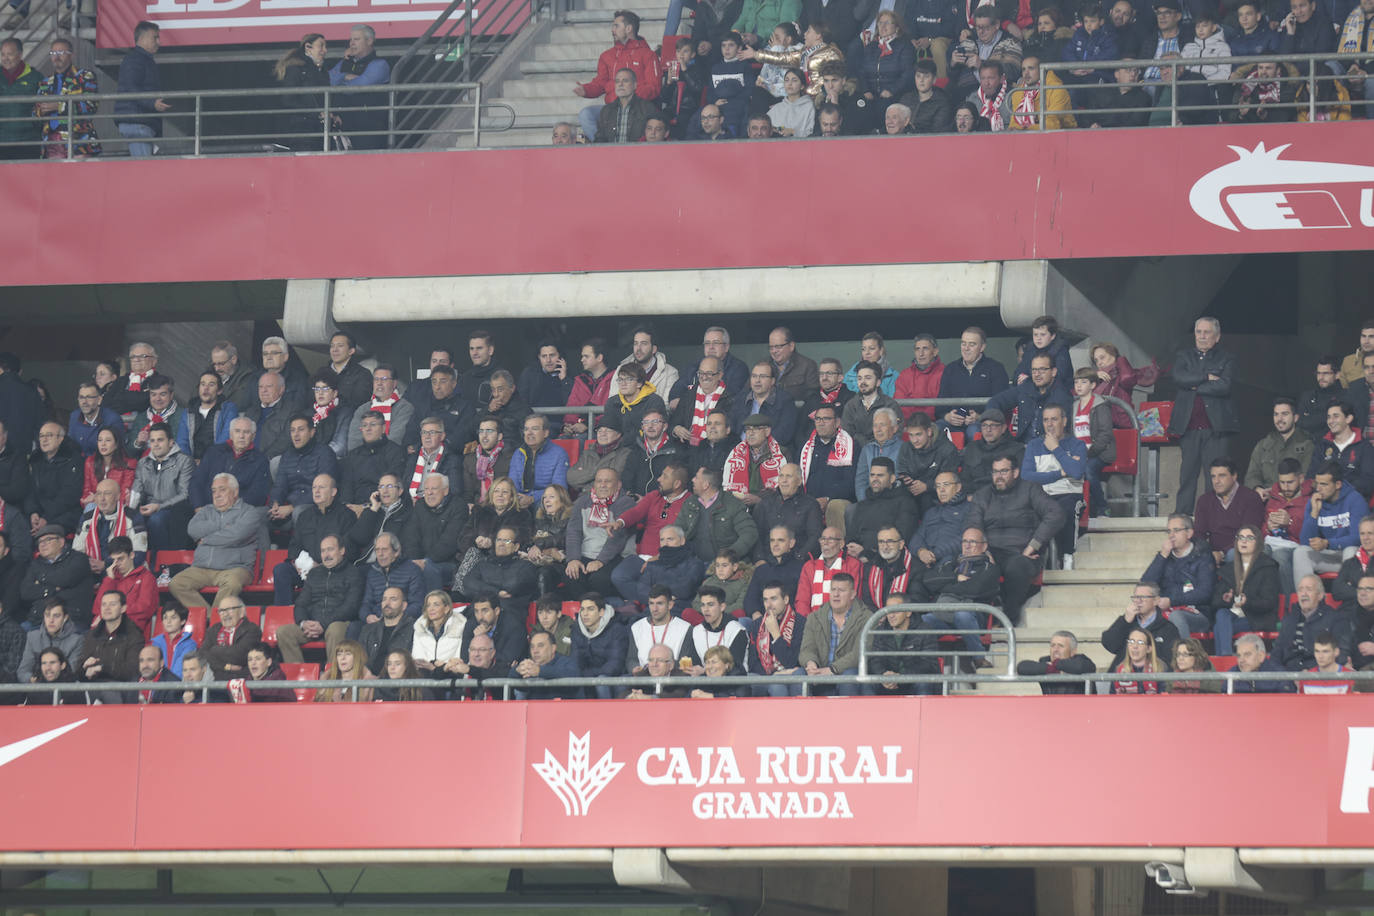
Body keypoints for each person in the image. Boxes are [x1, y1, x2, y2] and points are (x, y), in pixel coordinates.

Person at [968, 456, 1063, 624]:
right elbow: (973, 526)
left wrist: (1032, 546)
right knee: (976, 564)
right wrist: (985, 552)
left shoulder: (1030, 489)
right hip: (991, 551)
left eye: (1004, 471)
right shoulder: (982, 495)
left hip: (1022, 553)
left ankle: (1008, 619)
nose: (999, 476)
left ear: (1016, 472)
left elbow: (1056, 514)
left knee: (1016, 567)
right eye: (995, 472)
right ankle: (977, 622)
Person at [168, 474, 268, 612]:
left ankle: (215, 622)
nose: (217, 495)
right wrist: (223, 525)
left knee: (233, 583)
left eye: (222, 489)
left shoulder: (249, 512)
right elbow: (192, 529)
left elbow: (235, 535)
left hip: (234, 568)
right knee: (176, 583)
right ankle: (210, 618)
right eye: (214, 491)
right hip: (202, 568)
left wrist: (206, 539)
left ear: (235, 492)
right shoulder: (206, 511)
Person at [1169, 317, 1238, 516]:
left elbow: (1224, 386)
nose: (1202, 336)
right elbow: (1179, 378)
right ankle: (1182, 516)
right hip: (1189, 427)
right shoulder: (1184, 355)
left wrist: (1192, 385)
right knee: (1187, 476)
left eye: (1207, 332)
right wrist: (1206, 377)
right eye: (1199, 332)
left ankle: (1212, 516)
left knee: (1215, 477)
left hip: (1216, 429)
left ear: (1217, 337)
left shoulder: (1227, 358)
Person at [574, 10, 663, 141]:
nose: (612, 30)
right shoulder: (606, 56)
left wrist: (628, 95)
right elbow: (600, 83)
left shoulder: (648, 55)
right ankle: (603, 151)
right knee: (586, 114)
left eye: (616, 26)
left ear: (629, 28)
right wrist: (586, 90)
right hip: (612, 110)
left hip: (639, 110)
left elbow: (654, 88)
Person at [278, 534, 361, 664]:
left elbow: (351, 606)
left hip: (339, 622)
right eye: (323, 551)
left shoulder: (353, 572)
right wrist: (304, 623)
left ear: (342, 551)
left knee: (334, 630)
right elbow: (301, 604)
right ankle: (299, 679)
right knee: (284, 632)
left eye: (330, 549)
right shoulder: (314, 573)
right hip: (313, 625)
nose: (326, 554)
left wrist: (323, 623)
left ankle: (333, 678)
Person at [1140, 513, 1215, 640]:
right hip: (1166, 611)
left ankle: (1184, 655)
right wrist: (1162, 555)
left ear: (1189, 533)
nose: (1171, 536)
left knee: (1176, 617)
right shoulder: (1164, 557)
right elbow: (1146, 585)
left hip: (1198, 613)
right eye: (1169, 531)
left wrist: (1171, 601)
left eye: (1176, 530)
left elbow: (1205, 593)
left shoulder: (1203, 557)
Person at [795, 573, 872, 695]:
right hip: (819, 675)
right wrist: (811, 664)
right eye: (833, 589)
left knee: (849, 675)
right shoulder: (814, 617)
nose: (836, 594)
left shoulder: (867, 618)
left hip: (846, 675)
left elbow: (859, 654)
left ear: (852, 594)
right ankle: (804, 713)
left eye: (841, 590)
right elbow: (806, 649)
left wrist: (832, 670)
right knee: (799, 674)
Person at [1213, 524, 1281, 654]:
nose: (1244, 541)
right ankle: (1226, 658)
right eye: (1241, 537)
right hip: (1232, 616)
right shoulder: (1228, 569)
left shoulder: (1267, 567)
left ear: (1258, 543)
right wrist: (1225, 599)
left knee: (1219, 627)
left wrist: (1247, 602)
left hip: (1256, 618)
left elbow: (1269, 602)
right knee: (1221, 613)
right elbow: (1215, 601)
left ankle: (1224, 661)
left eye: (1250, 538)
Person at [1294, 461, 1367, 582]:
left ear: (1338, 484)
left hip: (1353, 557)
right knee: (1300, 552)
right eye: (1317, 483)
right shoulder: (1314, 501)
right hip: (1329, 556)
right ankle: (1305, 598)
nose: (1318, 489)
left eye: (1324, 484)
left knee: (1350, 550)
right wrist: (1314, 514)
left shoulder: (1355, 500)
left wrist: (1328, 543)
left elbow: (1358, 538)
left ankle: (1349, 598)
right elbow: (1305, 542)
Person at [402, 472, 468, 594]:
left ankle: (434, 607)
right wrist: (415, 560)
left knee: (429, 569)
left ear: (446, 491)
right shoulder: (420, 506)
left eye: (434, 489)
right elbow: (411, 536)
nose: (429, 492)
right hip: (422, 561)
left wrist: (426, 561)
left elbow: (450, 542)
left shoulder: (458, 506)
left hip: (450, 563)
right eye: (426, 489)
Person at [34, 38, 100, 159]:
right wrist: (40, 111)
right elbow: (34, 113)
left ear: (72, 55)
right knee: (55, 177)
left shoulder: (85, 76)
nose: (56, 56)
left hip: (79, 140)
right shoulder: (44, 82)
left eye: (61, 53)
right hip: (51, 141)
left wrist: (58, 106)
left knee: (81, 177)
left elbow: (91, 106)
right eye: (53, 53)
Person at [19, 525, 95, 629]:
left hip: (71, 620)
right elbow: (25, 591)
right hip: (39, 619)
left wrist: (41, 579)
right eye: (40, 542)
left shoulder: (78, 559)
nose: (43, 544)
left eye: (48, 539)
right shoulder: (35, 564)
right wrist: (52, 589)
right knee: (20, 631)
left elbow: (65, 579)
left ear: (61, 542)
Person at [328, 24, 391, 150]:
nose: (352, 43)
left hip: (368, 130)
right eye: (351, 40)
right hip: (343, 127)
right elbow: (328, 81)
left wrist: (342, 81)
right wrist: (346, 74)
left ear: (369, 41)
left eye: (356, 39)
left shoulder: (380, 64)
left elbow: (357, 87)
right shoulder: (345, 62)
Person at [1192, 457, 1265, 563]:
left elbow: (1249, 534)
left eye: (1222, 476)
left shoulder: (1251, 498)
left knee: (1232, 554)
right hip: (1213, 552)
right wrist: (1207, 553)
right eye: (1213, 476)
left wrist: (1222, 553)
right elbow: (1199, 533)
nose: (1216, 481)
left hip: (1241, 549)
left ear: (1234, 476)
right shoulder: (1204, 500)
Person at [1274, 575, 1353, 672]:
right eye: (1300, 590)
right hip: (1289, 675)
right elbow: (1276, 654)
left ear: (1320, 595)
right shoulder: (1289, 619)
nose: (1304, 594)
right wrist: (1283, 678)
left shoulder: (1335, 619)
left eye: (1309, 589)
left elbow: (1340, 654)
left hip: (1319, 674)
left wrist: (1311, 673)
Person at [114, 21, 170, 158]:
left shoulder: (140, 59)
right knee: (144, 171)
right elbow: (130, 89)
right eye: (155, 37)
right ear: (142, 38)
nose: (159, 42)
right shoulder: (135, 60)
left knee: (145, 169)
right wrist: (152, 103)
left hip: (139, 122)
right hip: (138, 123)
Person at [190, 417, 271, 510]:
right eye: (237, 431)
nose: (241, 436)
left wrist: (229, 509)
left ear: (253, 436)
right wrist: (198, 506)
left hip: (236, 511)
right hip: (206, 506)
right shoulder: (214, 452)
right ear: (231, 434)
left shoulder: (260, 460)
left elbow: (257, 495)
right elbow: (196, 481)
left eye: (246, 432)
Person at [76, 590, 146, 698]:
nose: (107, 608)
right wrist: (85, 668)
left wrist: (102, 668)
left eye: (112, 604)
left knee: (110, 693)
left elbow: (132, 671)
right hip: (91, 686)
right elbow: (78, 669)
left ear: (123, 608)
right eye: (104, 604)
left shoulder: (134, 636)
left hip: (119, 690)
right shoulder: (92, 635)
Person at [798, 403, 856, 532]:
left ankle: (839, 549)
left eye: (826, 419)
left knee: (835, 506)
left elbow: (851, 483)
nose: (821, 423)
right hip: (809, 500)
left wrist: (828, 498)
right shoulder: (806, 447)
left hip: (836, 501)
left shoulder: (851, 446)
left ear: (837, 422)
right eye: (818, 419)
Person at [271, 415, 341, 523]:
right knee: (262, 516)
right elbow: (280, 485)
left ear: (312, 432)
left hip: (315, 504)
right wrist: (275, 503)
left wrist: (292, 507)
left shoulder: (325, 453)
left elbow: (323, 490)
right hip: (289, 504)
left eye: (301, 430)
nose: (296, 434)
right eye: (292, 430)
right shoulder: (287, 455)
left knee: (299, 513)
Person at [1245, 398, 1315, 499]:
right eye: (1276, 414)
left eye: (1285, 414)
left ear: (1295, 418)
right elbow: (1252, 475)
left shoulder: (1307, 444)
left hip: (1294, 503)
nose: (1279, 419)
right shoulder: (1263, 445)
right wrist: (1257, 488)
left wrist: (1275, 493)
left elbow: (1306, 479)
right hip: (1264, 501)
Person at [1069, 367, 1116, 517]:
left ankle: (1102, 507)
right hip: (1080, 453)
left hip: (1099, 453)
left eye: (1083, 382)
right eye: (1076, 382)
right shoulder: (1074, 406)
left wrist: (1089, 453)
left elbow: (1105, 434)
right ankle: (1079, 511)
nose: (1079, 386)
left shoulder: (1100, 405)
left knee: (1088, 471)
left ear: (1093, 385)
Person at [273, 34, 332, 152]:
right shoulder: (296, 69)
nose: (325, 50)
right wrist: (316, 113)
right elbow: (288, 100)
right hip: (301, 128)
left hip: (318, 128)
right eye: (321, 46)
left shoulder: (321, 70)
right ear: (308, 47)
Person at [75, 479, 148, 574]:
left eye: (107, 493)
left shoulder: (133, 517)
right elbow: (77, 551)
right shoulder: (86, 518)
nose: (102, 498)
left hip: (122, 573)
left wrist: (106, 565)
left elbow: (139, 554)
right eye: (98, 494)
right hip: (90, 572)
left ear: (117, 496)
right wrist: (89, 564)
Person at [90, 535, 157, 635]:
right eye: (114, 560)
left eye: (121, 559)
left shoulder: (146, 577)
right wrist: (109, 580)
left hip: (132, 631)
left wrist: (114, 613)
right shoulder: (111, 578)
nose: (117, 564)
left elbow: (145, 609)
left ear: (132, 555)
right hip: (106, 629)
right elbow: (97, 609)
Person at [341, 411, 408, 508]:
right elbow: (347, 486)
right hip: (354, 508)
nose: (368, 429)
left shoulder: (395, 452)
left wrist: (366, 507)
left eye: (373, 424)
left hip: (382, 506)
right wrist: (347, 506)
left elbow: (393, 487)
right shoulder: (353, 455)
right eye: (364, 425)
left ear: (383, 428)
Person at [360, 532, 426, 629]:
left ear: (396, 552)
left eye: (384, 550)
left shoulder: (412, 570)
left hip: (403, 621)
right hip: (377, 621)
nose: (380, 554)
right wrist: (367, 616)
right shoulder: (373, 573)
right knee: (354, 628)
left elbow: (417, 604)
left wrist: (396, 618)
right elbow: (366, 603)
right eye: (377, 550)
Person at [1310, 401, 1374, 499]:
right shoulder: (1322, 446)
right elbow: (1310, 477)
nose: (1331, 421)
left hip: (1354, 502)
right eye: (1328, 417)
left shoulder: (1365, 448)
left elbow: (1368, 482)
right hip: (1325, 502)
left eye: (1336, 416)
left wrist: (1339, 492)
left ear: (1348, 418)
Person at [569, 593, 627, 698]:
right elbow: (575, 660)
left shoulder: (617, 629)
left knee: (601, 681)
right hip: (587, 677)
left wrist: (587, 675)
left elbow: (615, 665)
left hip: (611, 678)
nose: (585, 614)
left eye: (590, 609)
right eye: (582, 609)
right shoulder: (576, 629)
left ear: (601, 612)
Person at [626, 585, 692, 675]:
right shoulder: (637, 627)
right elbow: (631, 659)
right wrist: (634, 667)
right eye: (651, 603)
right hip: (644, 680)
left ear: (670, 605)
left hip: (673, 682)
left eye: (660, 603)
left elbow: (685, 661)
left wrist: (660, 668)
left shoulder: (685, 628)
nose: (654, 609)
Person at [175, 371, 238, 461]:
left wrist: (206, 462)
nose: (206, 388)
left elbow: (226, 439)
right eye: (203, 384)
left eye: (211, 385)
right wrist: (189, 463)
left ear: (219, 390)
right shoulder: (189, 412)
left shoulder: (228, 409)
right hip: (191, 465)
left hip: (218, 462)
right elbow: (182, 442)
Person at [16, 598, 83, 684]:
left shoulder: (76, 640)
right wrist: (32, 679)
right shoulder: (33, 637)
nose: (51, 620)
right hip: (37, 688)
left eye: (56, 616)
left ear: (65, 618)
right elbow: (23, 671)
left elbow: (71, 671)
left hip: (63, 688)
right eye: (47, 615)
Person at [1017, 630, 1097, 694]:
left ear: (1073, 651)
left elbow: (1081, 666)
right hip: (1051, 710)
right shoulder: (1045, 661)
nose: (1055, 650)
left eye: (1061, 646)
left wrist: (1056, 665)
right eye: (1053, 645)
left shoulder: (1082, 660)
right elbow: (1022, 667)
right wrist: (1050, 668)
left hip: (1081, 710)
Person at [563, 339, 615, 437]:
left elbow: (611, 412)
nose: (582, 360)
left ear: (599, 357)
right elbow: (572, 407)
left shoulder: (615, 379)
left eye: (586, 356)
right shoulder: (580, 380)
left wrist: (587, 425)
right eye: (582, 356)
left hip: (603, 433)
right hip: (577, 433)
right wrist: (568, 425)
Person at [359, 585, 416, 675]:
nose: (387, 603)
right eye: (384, 599)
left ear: (404, 605)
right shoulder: (368, 630)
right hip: (368, 681)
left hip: (399, 681)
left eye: (393, 599)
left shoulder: (414, 628)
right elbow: (360, 660)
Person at [0, 38, 41, 160]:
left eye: (10, 54)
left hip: (28, 141)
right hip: (2, 141)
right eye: (2, 54)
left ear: (20, 54)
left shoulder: (35, 77)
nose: (5, 58)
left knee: (27, 178)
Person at [411, 589, 468, 676]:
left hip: (450, 674)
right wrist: (431, 666)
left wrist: (442, 667)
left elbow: (458, 658)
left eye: (436, 605)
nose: (431, 609)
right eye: (428, 605)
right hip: (424, 674)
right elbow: (417, 657)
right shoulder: (419, 628)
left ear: (446, 608)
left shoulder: (460, 626)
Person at [595, 68, 659, 142]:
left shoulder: (647, 108)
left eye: (625, 81)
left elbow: (653, 138)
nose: (620, 84)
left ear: (635, 85)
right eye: (617, 81)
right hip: (612, 152)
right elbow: (600, 139)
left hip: (638, 152)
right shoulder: (606, 110)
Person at [514, 630, 581, 699]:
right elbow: (512, 682)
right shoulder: (530, 665)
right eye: (532, 647)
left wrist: (540, 671)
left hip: (563, 708)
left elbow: (573, 676)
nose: (535, 651)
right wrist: (518, 671)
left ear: (553, 648)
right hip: (535, 708)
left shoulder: (566, 662)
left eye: (540, 646)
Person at [1297, 357, 1349, 442]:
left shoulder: (1345, 396)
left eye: (1326, 373)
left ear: (1337, 375)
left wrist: (1311, 417)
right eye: (1318, 373)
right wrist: (1327, 417)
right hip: (1307, 447)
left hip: (1333, 446)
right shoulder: (1308, 395)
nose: (1321, 377)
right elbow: (1300, 422)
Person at [464, 417, 513, 503]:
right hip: (478, 508)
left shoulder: (510, 458)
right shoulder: (470, 459)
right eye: (481, 431)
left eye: (489, 431)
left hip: (503, 506)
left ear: (499, 436)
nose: (484, 435)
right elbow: (468, 492)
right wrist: (469, 505)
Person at [1108, 625, 1169, 695]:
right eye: (1131, 641)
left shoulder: (1160, 668)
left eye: (1140, 642)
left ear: (1149, 648)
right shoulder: (1118, 670)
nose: (1135, 646)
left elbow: (1164, 698)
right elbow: (1112, 699)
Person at [69, 383, 122, 459]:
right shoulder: (74, 416)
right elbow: (71, 446)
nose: (84, 402)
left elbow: (117, 453)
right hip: (80, 464)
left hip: (101, 464)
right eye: (81, 397)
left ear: (99, 400)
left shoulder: (112, 419)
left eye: (89, 397)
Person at [148, 602, 196, 677]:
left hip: (177, 685)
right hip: (158, 685)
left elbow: (180, 670)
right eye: (165, 617)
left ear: (182, 621)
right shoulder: (156, 643)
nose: (168, 621)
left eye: (173, 617)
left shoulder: (190, 645)